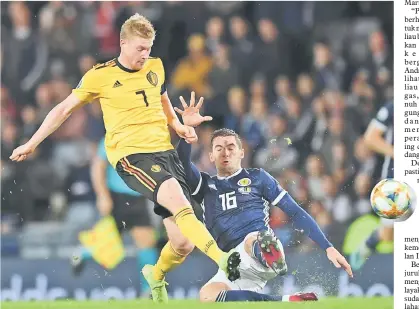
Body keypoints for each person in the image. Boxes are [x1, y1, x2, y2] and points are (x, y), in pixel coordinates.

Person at [10, 14, 241, 303]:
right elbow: (63, 109)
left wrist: (180, 126)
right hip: (133, 157)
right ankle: (224, 259)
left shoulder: (156, 67)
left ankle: (155, 274)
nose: (145, 55)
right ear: (122, 43)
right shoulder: (100, 75)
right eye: (139, 48)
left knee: (182, 243)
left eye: (148, 48)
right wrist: (32, 142)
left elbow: (162, 101)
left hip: (165, 154)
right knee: (173, 201)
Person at [145, 98, 353, 302]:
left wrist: (327, 247)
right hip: (232, 262)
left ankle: (270, 252)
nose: (225, 152)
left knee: (253, 239)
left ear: (241, 152)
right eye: (218, 148)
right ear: (210, 156)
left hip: (257, 248)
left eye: (230, 147)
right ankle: (286, 300)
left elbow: (295, 211)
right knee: (207, 296)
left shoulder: (258, 177)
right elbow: (181, 163)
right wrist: (187, 131)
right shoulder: (204, 186)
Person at [71, 137, 158, 296]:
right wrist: (102, 195)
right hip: (118, 196)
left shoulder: (144, 133)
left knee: (146, 242)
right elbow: (98, 166)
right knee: (112, 242)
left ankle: (149, 291)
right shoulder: (113, 135)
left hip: (138, 196)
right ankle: (83, 251)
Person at [350, 101, 397, 270]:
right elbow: (370, 138)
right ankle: (368, 245)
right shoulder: (394, 106)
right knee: (387, 234)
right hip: (395, 178)